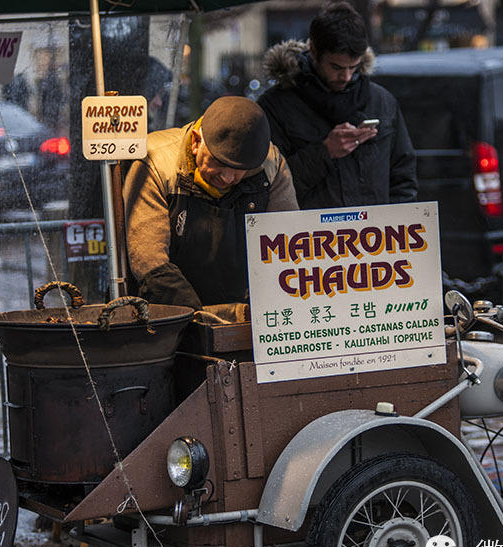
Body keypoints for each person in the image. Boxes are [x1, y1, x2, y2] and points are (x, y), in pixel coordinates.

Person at [124, 95, 298, 316]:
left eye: (238, 169)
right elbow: (149, 261)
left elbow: (287, 252)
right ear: (197, 142)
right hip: (169, 312)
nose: (226, 178)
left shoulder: (270, 166)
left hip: (245, 311)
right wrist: (200, 319)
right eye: (218, 162)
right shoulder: (156, 163)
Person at [257, 0, 417, 209]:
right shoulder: (276, 106)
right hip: (310, 237)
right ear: (314, 52)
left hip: (374, 237)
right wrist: (324, 152)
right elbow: (265, 187)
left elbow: (403, 177)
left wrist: (396, 227)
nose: (347, 76)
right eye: (337, 67)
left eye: (354, 67)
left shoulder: (381, 102)